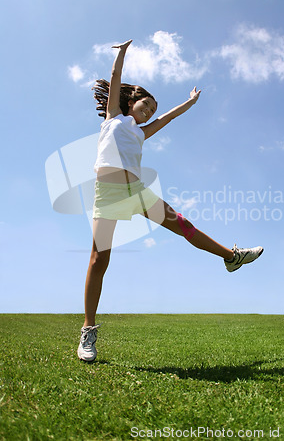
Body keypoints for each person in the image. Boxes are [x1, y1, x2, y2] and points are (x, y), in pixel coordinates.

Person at [77, 39, 263, 362]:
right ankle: (88, 332)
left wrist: (189, 103)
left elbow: (171, 118)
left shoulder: (142, 132)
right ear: (131, 100)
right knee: (98, 260)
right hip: (107, 193)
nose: (149, 112)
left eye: (152, 110)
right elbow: (116, 75)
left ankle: (230, 256)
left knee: (183, 225)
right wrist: (121, 54)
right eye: (146, 104)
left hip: (135, 192)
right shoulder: (113, 118)